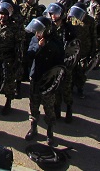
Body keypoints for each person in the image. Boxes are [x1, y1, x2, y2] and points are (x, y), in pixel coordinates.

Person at [24, 16, 65, 146]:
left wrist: (47, 45)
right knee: (33, 105)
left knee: (49, 107)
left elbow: (60, 58)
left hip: (49, 80)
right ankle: (33, 127)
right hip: (36, 78)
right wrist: (38, 47)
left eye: (39, 31)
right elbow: (29, 55)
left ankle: (50, 132)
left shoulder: (56, 41)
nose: (37, 34)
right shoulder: (34, 40)